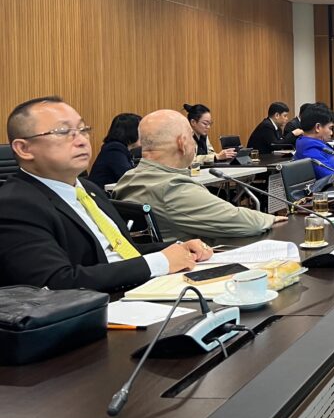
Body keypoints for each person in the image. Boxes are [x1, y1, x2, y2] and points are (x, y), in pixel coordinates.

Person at [0, 97, 209, 292]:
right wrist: (160, 262)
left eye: (83, 129)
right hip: (99, 310)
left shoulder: (88, 189)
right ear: (24, 149)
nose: (82, 140)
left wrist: (177, 249)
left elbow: (120, 251)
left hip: (138, 291)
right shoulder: (15, 205)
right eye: (63, 131)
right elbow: (56, 283)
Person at [112, 110, 283, 240]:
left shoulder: (127, 180)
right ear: (182, 143)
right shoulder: (172, 188)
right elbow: (241, 222)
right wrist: (270, 218)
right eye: (191, 137)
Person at [293, 104, 334, 180]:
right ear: (318, 127)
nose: (331, 133)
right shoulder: (310, 149)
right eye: (330, 128)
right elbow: (330, 176)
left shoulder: (308, 143)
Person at [89, 112, 142, 188]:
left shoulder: (118, 148)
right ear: (130, 131)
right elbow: (129, 176)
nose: (143, 134)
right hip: (103, 194)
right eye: (140, 130)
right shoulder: (114, 149)